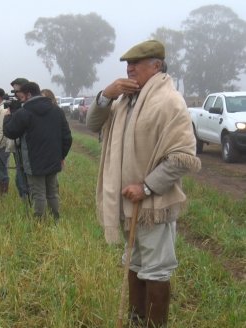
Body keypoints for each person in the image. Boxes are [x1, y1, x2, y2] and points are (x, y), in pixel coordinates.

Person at [86, 40, 201, 327]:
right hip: (128, 204)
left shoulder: (169, 101)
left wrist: (146, 186)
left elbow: (182, 156)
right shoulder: (125, 100)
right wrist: (105, 96)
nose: (130, 68)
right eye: (127, 64)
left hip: (153, 203)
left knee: (157, 270)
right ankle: (137, 321)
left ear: (157, 66)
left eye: (137, 63)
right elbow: (92, 125)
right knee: (135, 264)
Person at [3, 82, 72, 220]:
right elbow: (67, 138)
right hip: (53, 160)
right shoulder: (57, 110)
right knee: (52, 192)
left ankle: (39, 222)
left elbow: (10, 132)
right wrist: (60, 155)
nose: (21, 101)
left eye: (22, 98)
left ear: (28, 94)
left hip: (33, 161)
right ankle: (55, 218)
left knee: (38, 193)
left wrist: (8, 117)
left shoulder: (24, 112)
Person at [9, 78, 30, 200]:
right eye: (14, 91)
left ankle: (27, 197)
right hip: (17, 144)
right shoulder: (17, 105)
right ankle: (24, 197)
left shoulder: (29, 106)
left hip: (28, 145)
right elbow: (12, 128)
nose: (16, 93)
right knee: (19, 172)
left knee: (24, 174)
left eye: (18, 90)